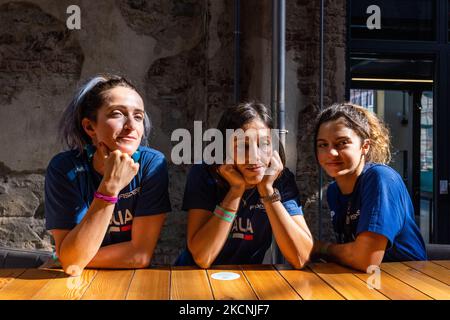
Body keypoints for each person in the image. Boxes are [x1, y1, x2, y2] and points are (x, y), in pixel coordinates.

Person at [45, 74, 171, 276]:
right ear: (89, 127)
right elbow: (72, 262)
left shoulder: (151, 164)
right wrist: (110, 186)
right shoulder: (64, 168)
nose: (131, 125)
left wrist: (66, 257)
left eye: (138, 116)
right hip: (77, 285)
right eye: (117, 114)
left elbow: (139, 255)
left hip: (132, 281)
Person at [175, 102, 313, 269]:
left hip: (248, 279)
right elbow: (203, 257)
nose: (254, 156)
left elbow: (301, 257)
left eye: (264, 144)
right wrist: (235, 191)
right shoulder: (205, 173)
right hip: (194, 276)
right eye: (242, 146)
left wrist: (267, 191)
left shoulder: (281, 180)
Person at [312, 103, 427, 272]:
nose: (331, 153)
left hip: (411, 284)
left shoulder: (380, 178)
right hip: (368, 283)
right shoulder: (333, 191)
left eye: (342, 143)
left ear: (365, 146)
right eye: (323, 144)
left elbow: (365, 259)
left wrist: (321, 248)